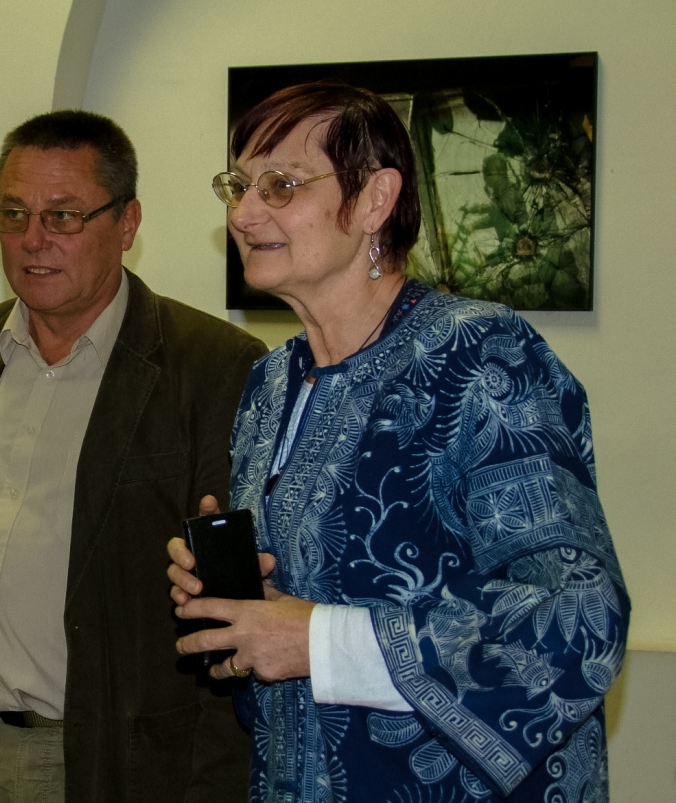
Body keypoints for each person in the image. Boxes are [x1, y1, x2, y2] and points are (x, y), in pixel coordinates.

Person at [167, 82, 629, 802]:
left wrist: (317, 640)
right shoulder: (270, 384)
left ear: (375, 200)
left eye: (281, 185)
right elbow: (303, 624)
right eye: (238, 185)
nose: (244, 213)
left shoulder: (481, 356)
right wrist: (245, 614)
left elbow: (579, 618)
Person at [0, 110, 267, 803]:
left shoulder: (215, 368)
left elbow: (232, 619)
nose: (33, 240)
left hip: (111, 764)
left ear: (126, 223)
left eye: (63, 216)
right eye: (14, 214)